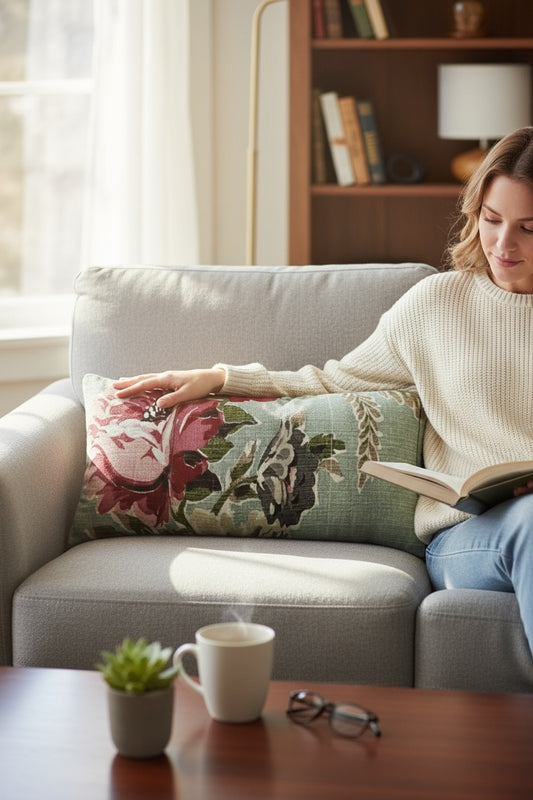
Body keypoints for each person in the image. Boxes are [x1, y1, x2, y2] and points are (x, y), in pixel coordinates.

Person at [114, 126, 533, 660]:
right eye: (492, 221)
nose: (503, 244)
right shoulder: (437, 305)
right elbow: (333, 381)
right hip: (470, 538)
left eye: (528, 227)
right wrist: (223, 379)